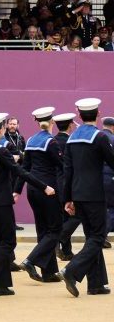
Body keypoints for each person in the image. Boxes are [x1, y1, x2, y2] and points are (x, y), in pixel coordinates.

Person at [0, 113, 53, 297]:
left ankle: (1, 285)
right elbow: (20, 172)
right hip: (1, 202)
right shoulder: (1, 151)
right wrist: (44, 186)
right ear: (2, 129)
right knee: (8, 242)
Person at [59, 98, 114, 297]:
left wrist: (67, 199)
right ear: (98, 114)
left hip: (77, 194)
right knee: (98, 237)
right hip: (95, 195)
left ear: (79, 115)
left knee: (91, 238)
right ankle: (71, 270)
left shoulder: (72, 138)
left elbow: (68, 171)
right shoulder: (100, 137)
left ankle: (96, 284)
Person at [16, 107, 65, 283]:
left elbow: (25, 168)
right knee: (55, 229)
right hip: (48, 189)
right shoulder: (51, 142)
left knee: (43, 230)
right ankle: (31, 261)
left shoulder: (31, 140)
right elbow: (62, 165)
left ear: (37, 122)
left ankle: (49, 272)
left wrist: (17, 189)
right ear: (52, 121)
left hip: (33, 189)